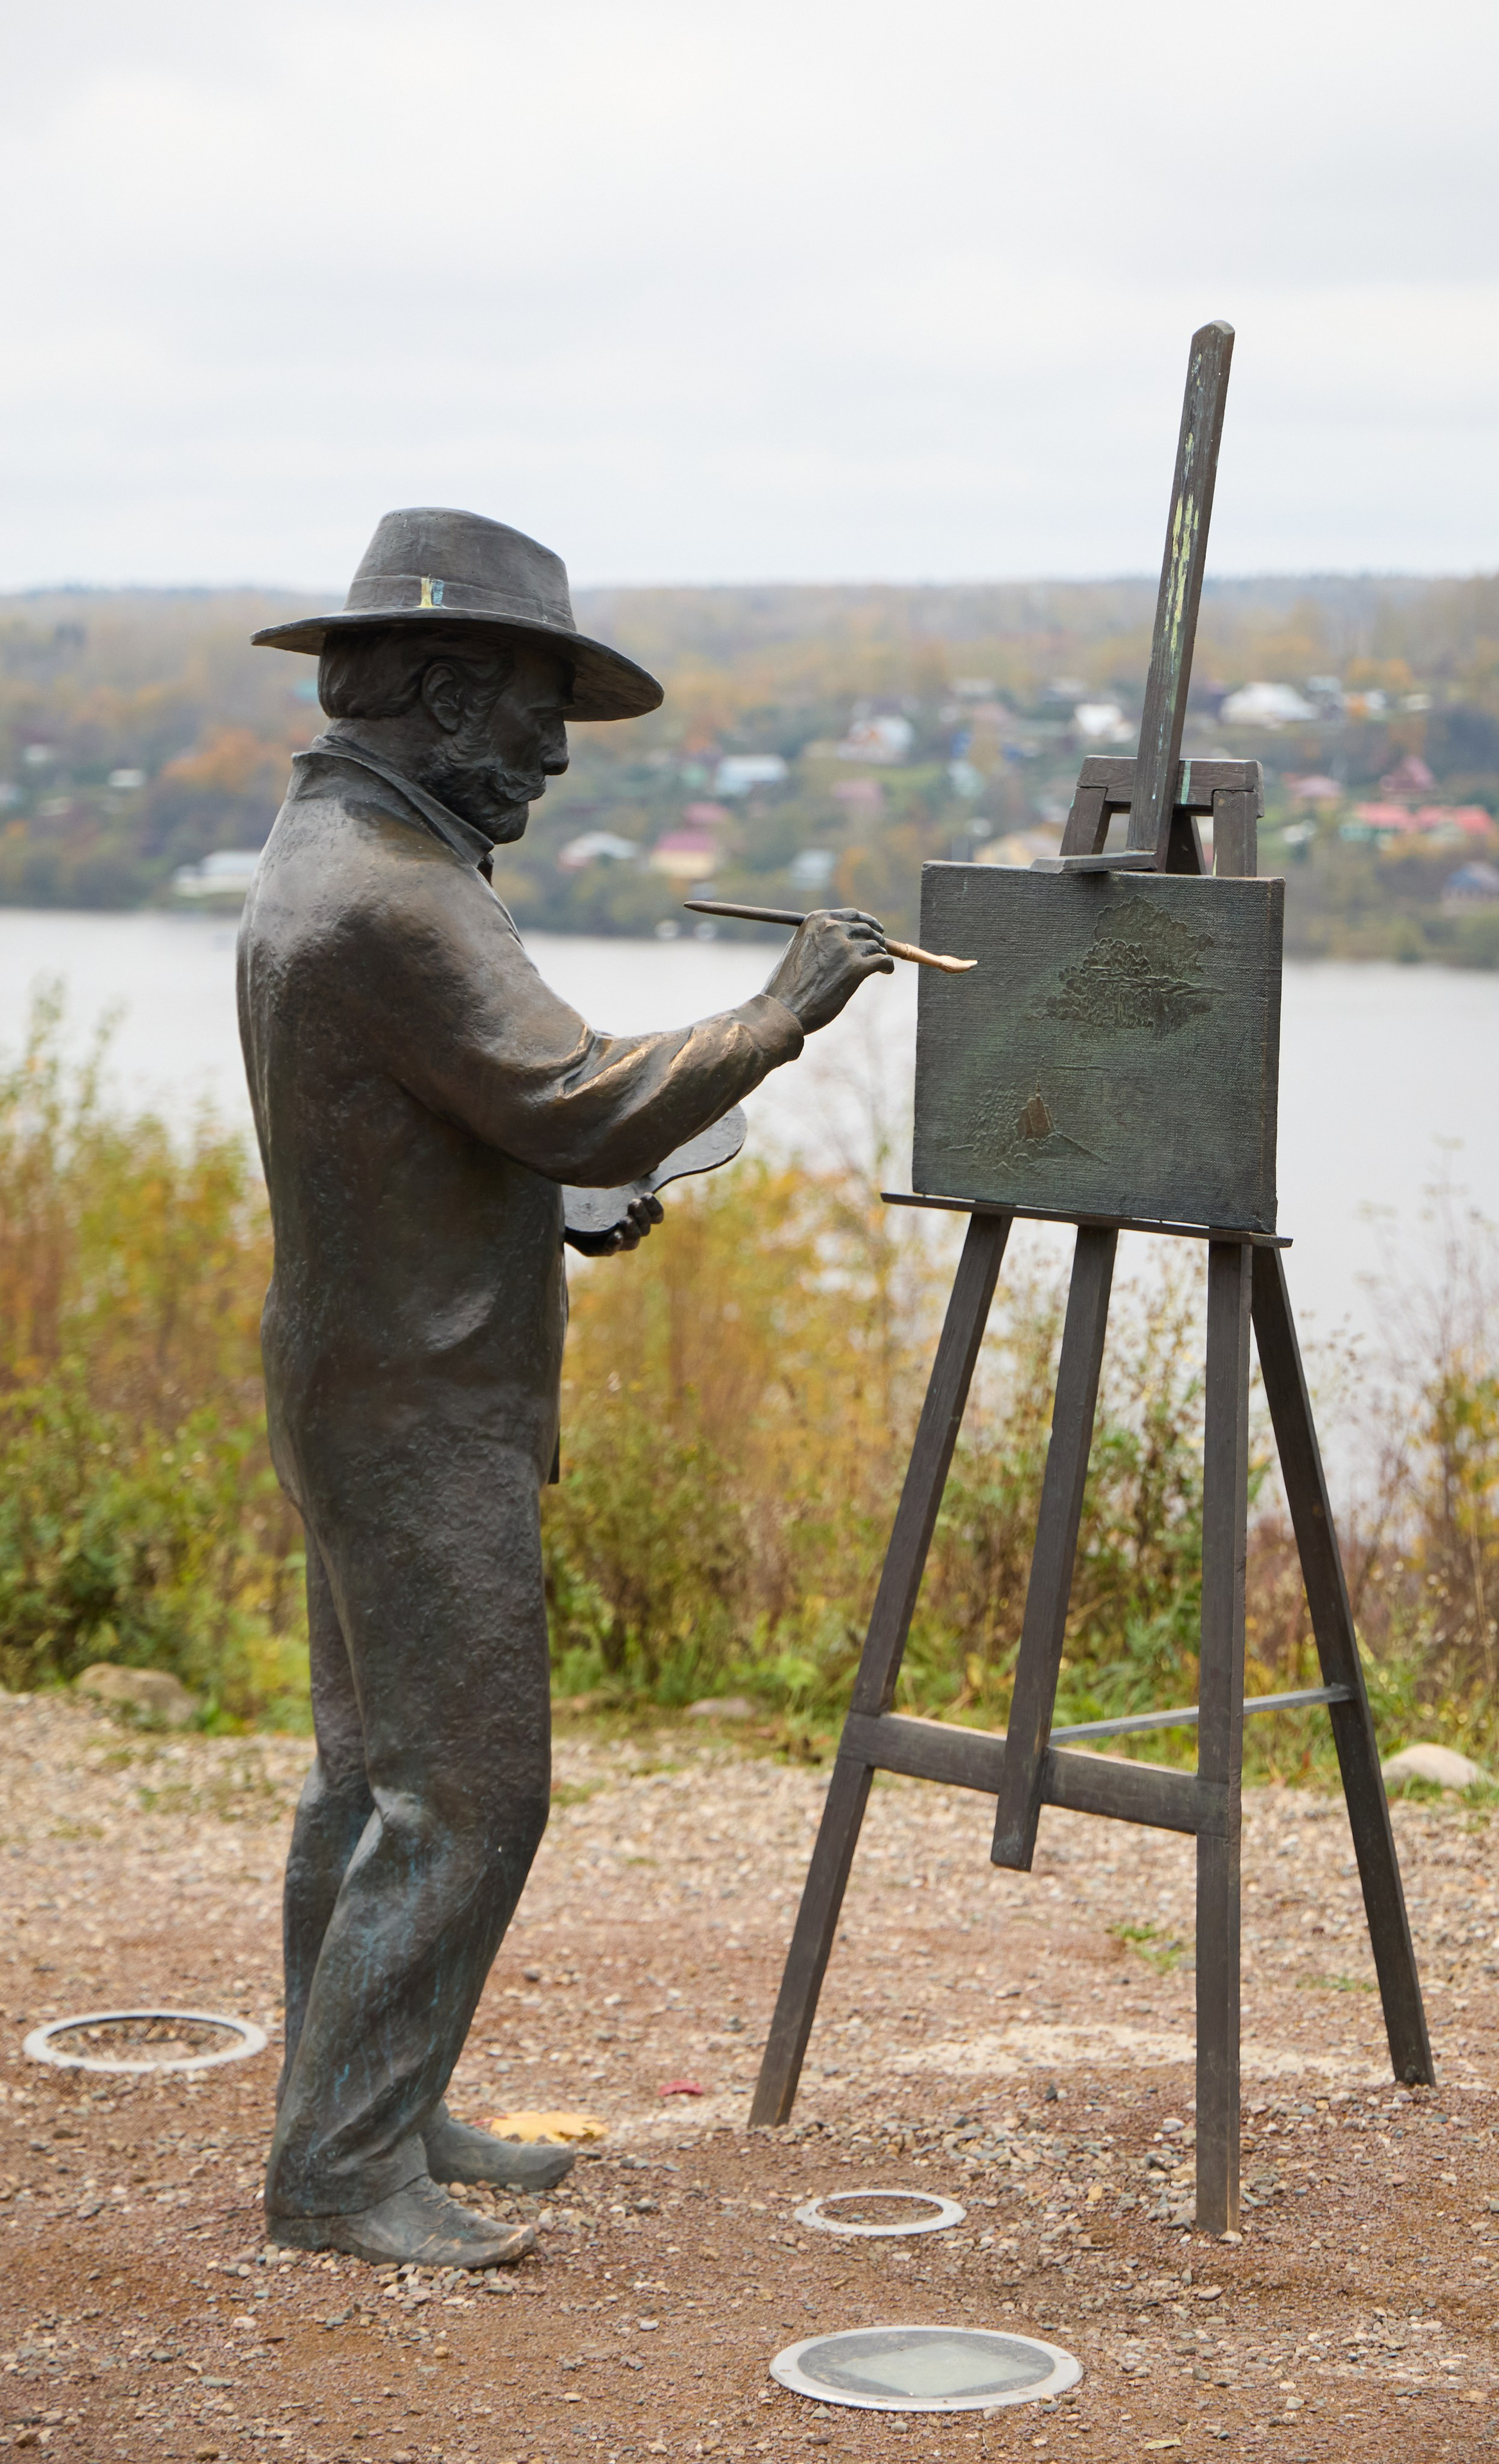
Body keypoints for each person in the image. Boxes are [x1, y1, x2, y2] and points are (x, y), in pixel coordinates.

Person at [239, 508, 890, 2264]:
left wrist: (546, 1199)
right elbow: (585, 1098)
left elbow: (455, 1124)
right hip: (418, 1403)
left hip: (359, 1362)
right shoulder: (397, 896)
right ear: (443, 693)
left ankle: (370, 2097)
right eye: (535, 718)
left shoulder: (332, 846)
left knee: (365, 1772)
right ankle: (342, 2168)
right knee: (467, 1790)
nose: (548, 757)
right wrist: (783, 1010)